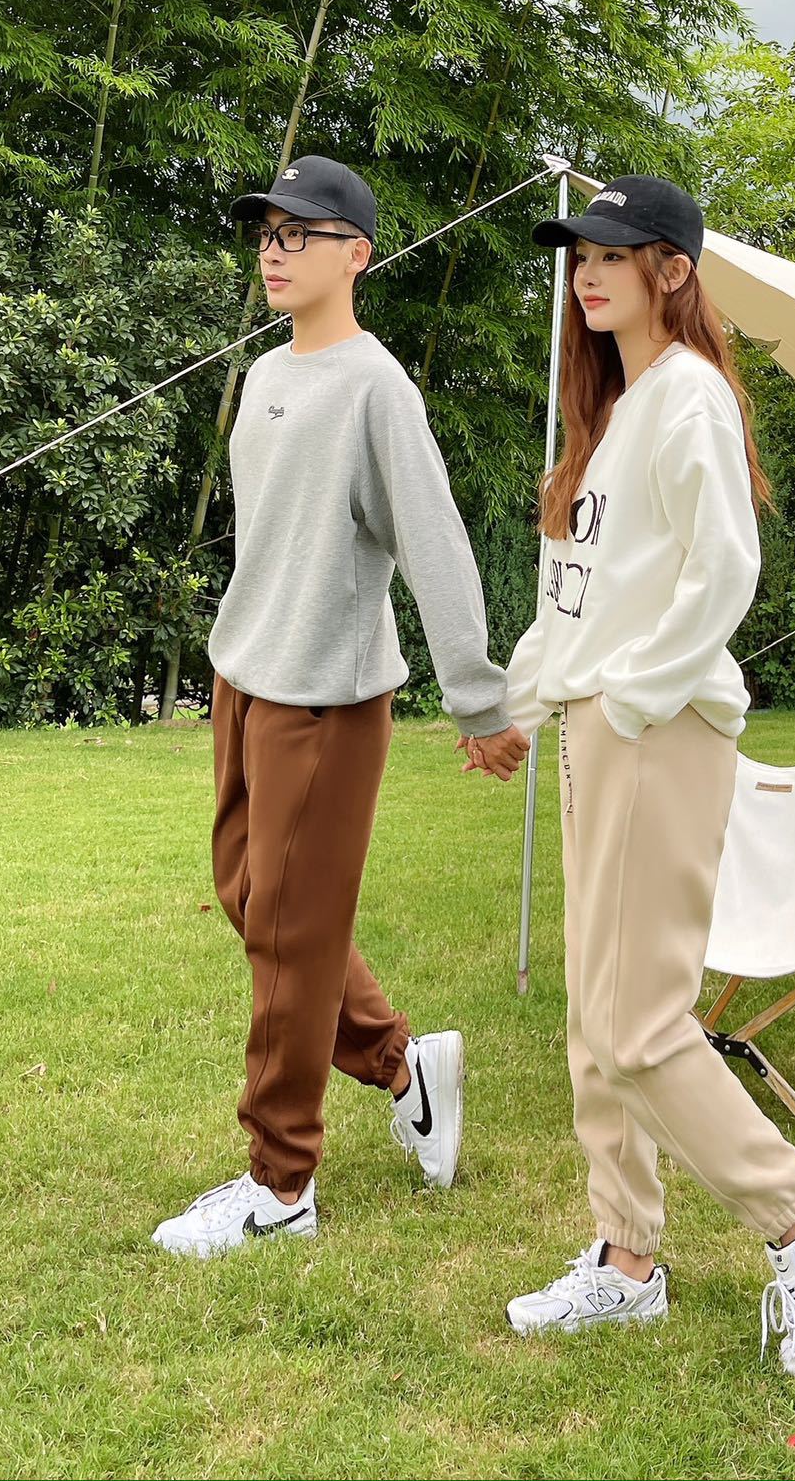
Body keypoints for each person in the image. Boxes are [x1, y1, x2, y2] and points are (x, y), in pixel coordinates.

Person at [491, 175, 795, 1378]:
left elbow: (724, 568)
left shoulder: (690, 395)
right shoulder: (615, 412)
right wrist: (520, 702)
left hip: (656, 729)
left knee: (638, 1019)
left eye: (611, 254)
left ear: (671, 269)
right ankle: (625, 1260)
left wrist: (632, 697)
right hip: (601, 723)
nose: (585, 273)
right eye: (578, 256)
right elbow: (575, 598)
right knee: (590, 1014)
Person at [152, 155, 529, 1257]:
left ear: (356, 253)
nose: (274, 251)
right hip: (246, 676)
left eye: (299, 234)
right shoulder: (269, 375)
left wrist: (478, 703)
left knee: (288, 933)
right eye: (266, 233)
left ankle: (281, 1185)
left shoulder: (378, 388)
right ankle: (405, 1067)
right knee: (250, 898)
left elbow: (435, 544)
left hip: (326, 700)